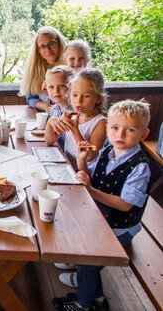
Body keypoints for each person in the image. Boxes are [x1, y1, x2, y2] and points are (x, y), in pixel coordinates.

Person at [53, 99, 152, 311]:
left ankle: (83, 304)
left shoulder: (139, 166)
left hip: (120, 227)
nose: (120, 135)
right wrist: (81, 161)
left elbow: (125, 205)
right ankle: (97, 298)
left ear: (143, 134)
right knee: (74, 233)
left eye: (130, 130)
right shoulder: (108, 151)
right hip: (102, 217)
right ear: (108, 128)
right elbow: (90, 178)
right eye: (115, 128)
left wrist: (91, 191)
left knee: (88, 263)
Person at [45, 68, 108, 170]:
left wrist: (75, 129)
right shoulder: (71, 115)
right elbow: (50, 140)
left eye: (86, 96)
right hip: (67, 167)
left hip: (86, 174)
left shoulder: (101, 123)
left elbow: (90, 155)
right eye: (74, 95)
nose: (78, 101)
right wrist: (51, 122)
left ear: (98, 99)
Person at [20, 26, 67, 113]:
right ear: (38, 51)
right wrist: (45, 106)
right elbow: (30, 99)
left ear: (59, 43)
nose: (48, 49)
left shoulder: (70, 66)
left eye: (51, 44)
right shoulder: (35, 69)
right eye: (42, 46)